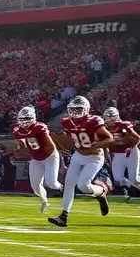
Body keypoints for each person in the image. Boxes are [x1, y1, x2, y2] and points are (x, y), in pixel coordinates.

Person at [49, 95, 113, 227]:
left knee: (83, 186)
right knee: (69, 185)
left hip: (94, 157)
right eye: (73, 109)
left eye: (79, 109)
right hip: (78, 156)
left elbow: (110, 138)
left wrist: (96, 145)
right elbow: (71, 139)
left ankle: (101, 192)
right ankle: (63, 216)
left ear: (86, 110)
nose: (75, 112)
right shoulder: (66, 122)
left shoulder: (93, 121)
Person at [12, 106, 61, 213]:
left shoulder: (39, 128)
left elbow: (51, 146)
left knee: (52, 183)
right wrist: (20, 149)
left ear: (32, 118)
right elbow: (21, 144)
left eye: (26, 119)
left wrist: (41, 154)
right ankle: (44, 201)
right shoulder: (18, 131)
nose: (24, 122)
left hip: (50, 157)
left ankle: (63, 188)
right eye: (22, 119)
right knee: (35, 186)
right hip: (36, 159)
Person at [103, 107, 140, 200]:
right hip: (117, 154)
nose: (111, 120)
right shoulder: (102, 127)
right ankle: (131, 187)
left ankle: (134, 185)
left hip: (131, 152)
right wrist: (106, 153)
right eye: (109, 117)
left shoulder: (123, 125)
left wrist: (131, 147)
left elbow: (137, 138)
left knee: (134, 179)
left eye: (113, 117)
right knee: (118, 180)